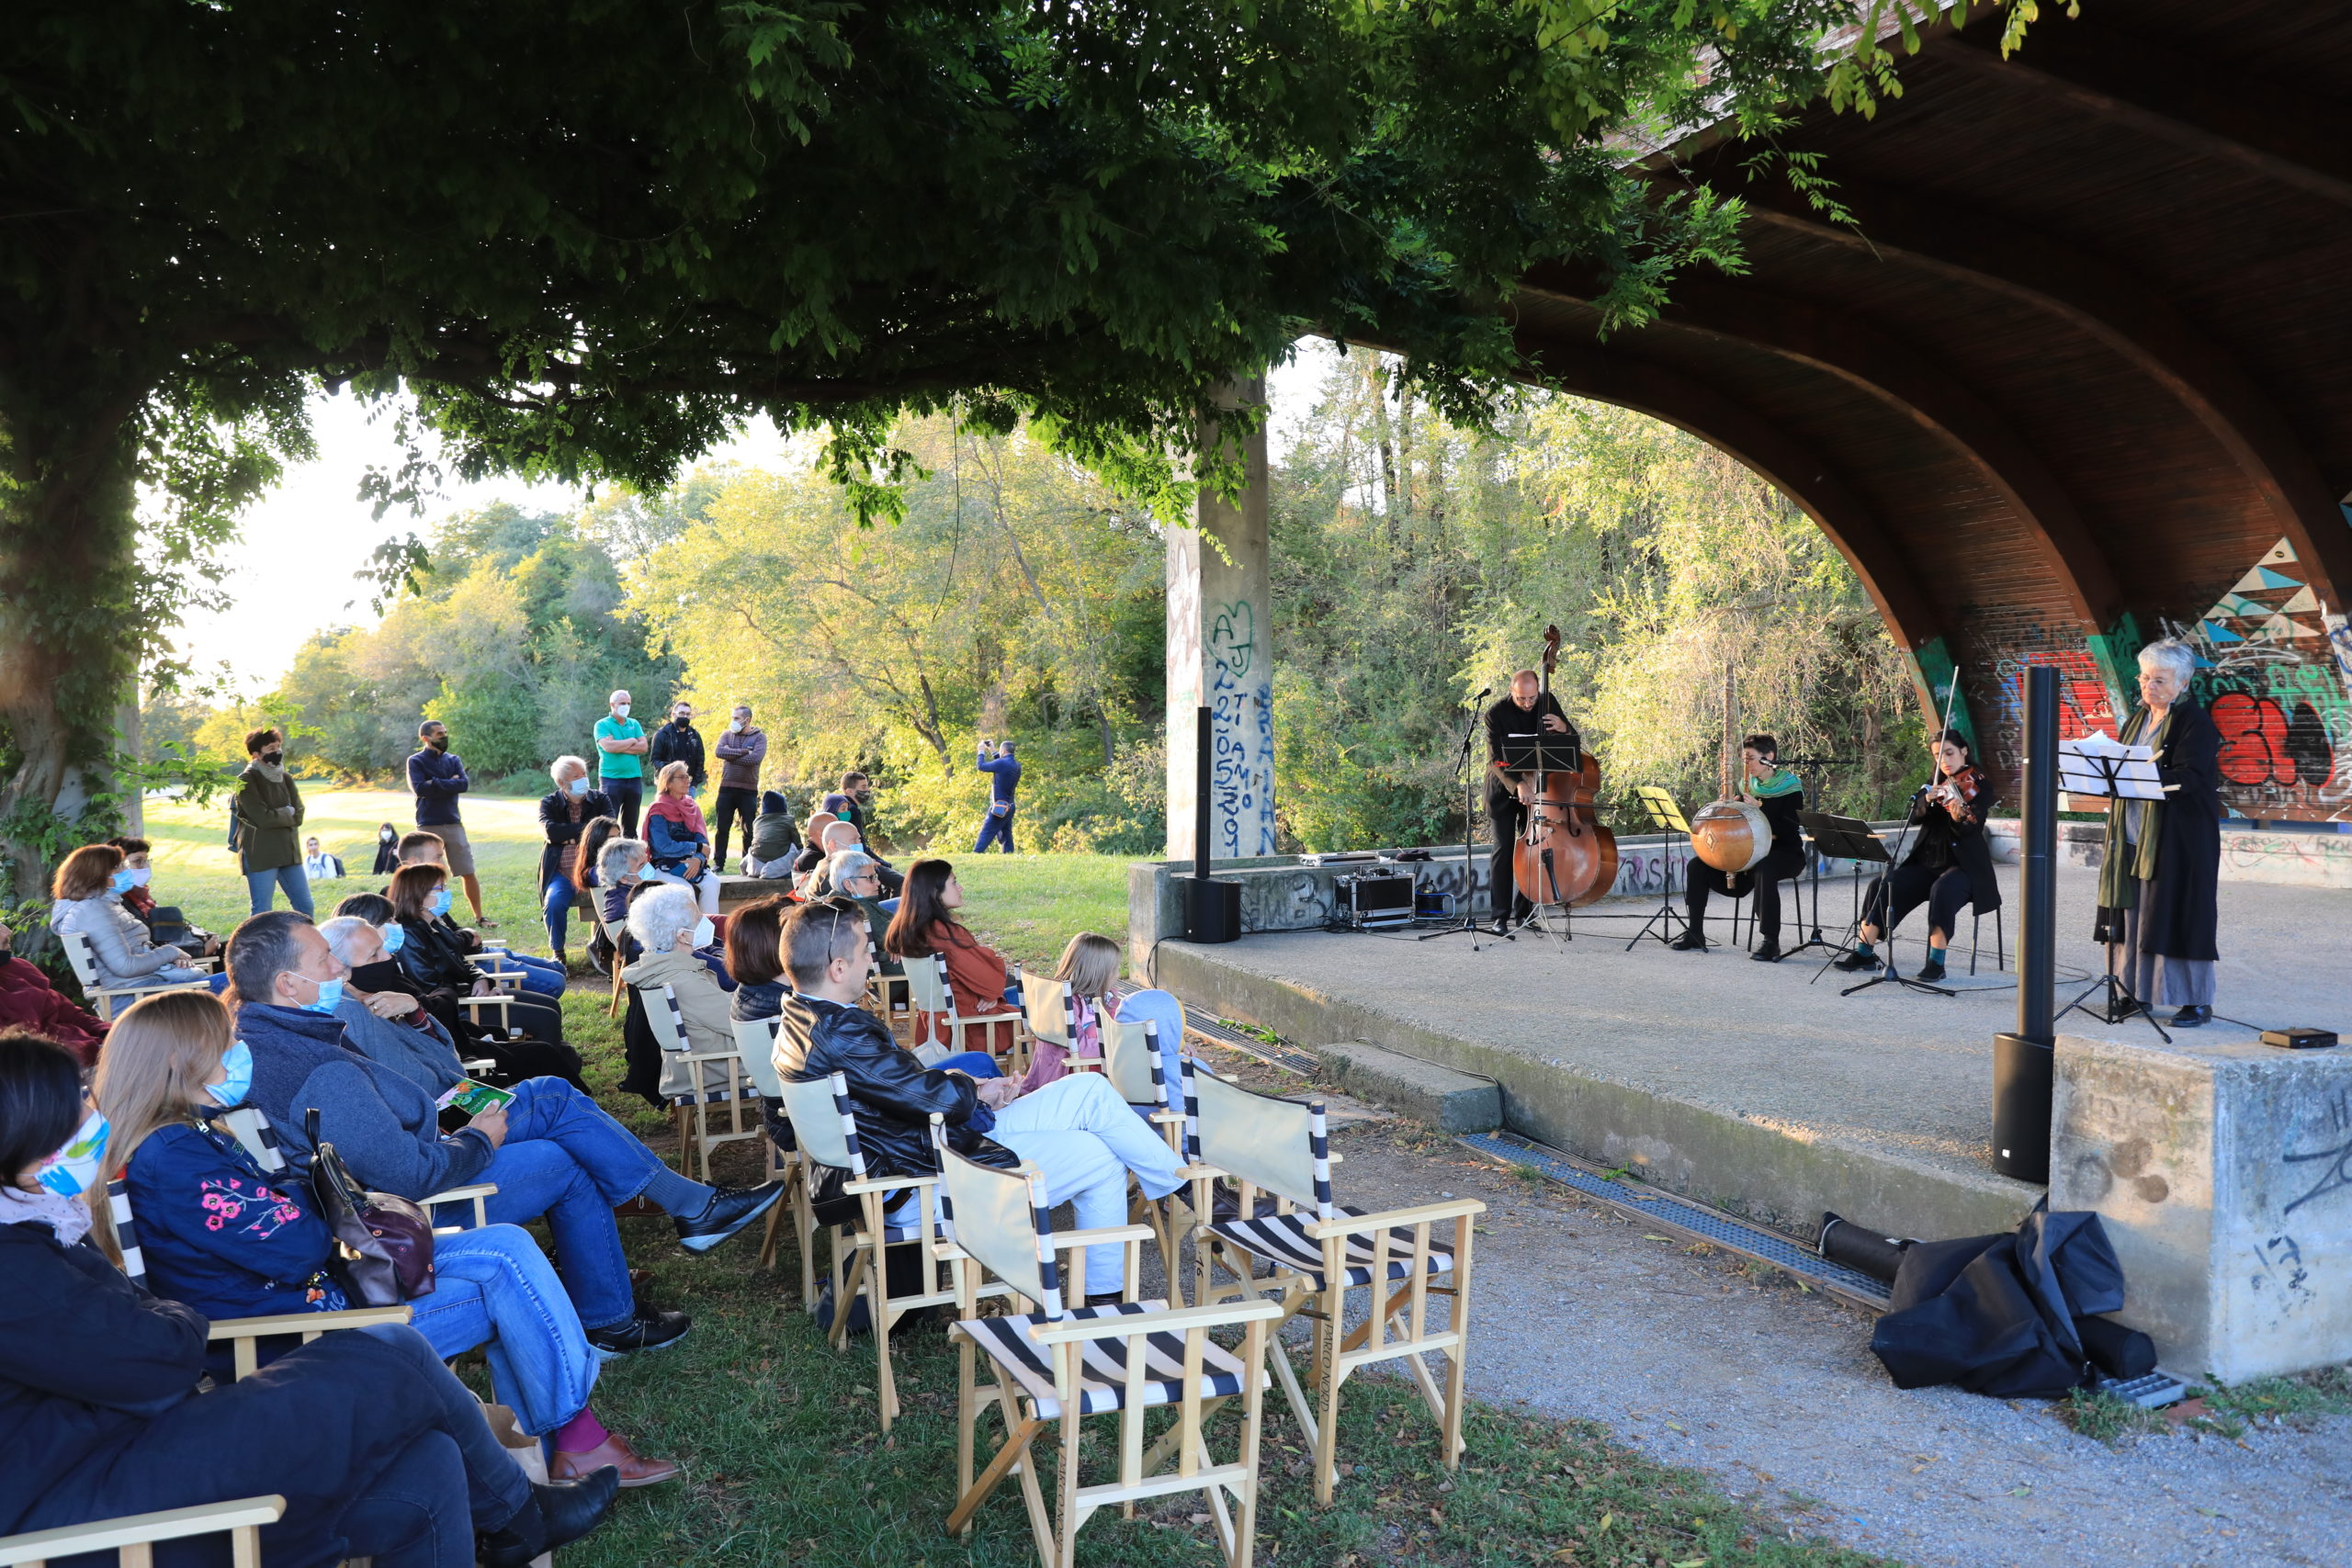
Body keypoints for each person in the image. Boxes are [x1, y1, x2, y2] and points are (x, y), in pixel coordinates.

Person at [0, 1030, 622, 1568]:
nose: (94, 1109)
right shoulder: (17, 1262)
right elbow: (156, 1364)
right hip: (89, 1496)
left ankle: (516, 1518)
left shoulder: (39, 1223)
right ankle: (522, 1511)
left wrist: (160, 1321)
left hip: (138, 1443)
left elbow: (136, 1337)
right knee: (389, 1349)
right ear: (33, 1131)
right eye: (79, 1102)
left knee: (429, 1463)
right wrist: (171, 1319)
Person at [96, 991, 681, 1486]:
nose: (237, 1052)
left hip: (334, 1286)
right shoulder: (174, 1158)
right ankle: (573, 1440)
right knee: (509, 1283)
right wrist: (315, 1199)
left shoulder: (198, 1132)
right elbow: (298, 1244)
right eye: (225, 1045)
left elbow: (295, 1209)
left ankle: (562, 1442)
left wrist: (310, 1199)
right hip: (294, 1331)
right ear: (185, 1061)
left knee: (506, 1245)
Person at [223, 911, 783, 1348]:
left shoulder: (279, 1034)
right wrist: (477, 1137)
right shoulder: (317, 1064)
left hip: (435, 1126)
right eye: (328, 963)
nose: (342, 974)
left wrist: (417, 1017)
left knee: (552, 1097)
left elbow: (433, 1071)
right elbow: (409, 1171)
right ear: (288, 983)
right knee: (562, 1156)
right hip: (416, 1187)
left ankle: (662, 1248)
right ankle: (631, 1290)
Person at [777, 897, 1184, 1303]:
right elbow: (922, 1097)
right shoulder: (840, 1033)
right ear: (838, 968)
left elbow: (898, 1088)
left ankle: (1175, 1185)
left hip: (922, 1151)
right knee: (1101, 1156)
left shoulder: (802, 1016)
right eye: (867, 951)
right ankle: (1106, 1298)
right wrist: (974, 1092)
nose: (875, 960)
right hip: (924, 1176)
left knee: (1090, 1091)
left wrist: (966, 1083)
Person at [2097, 637, 2223, 1028]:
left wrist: (2141, 775)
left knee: (2177, 914)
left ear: (2183, 684)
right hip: (2132, 836)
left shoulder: (2194, 722)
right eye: (2146, 678)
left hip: (2179, 840)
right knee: (2133, 917)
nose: (2150, 686)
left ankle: (2195, 1001)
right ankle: (2134, 994)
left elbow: (2190, 776)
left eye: (2161, 680)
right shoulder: (2134, 721)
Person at [324, 905, 585, 1092]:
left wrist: (416, 1009)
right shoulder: (353, 1018)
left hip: (457, 1083)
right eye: (374, 954)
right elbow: (430, 1076)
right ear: (339, 969)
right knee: (550, 1079)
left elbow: (440, 1057)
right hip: (453, 1102)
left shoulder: (380, 987)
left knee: (555, 1072)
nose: (388, 957)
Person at [1836, 728, 2001, 984]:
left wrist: (1957, 817)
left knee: (1943, 890)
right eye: (1938, 755)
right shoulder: (1934, 783)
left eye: (1949, 753)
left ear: (1964, 751)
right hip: (1927, 863)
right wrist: (1925, 800)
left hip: (1964, 866)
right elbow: (1914, 816)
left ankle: (1936, 963)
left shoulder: (1980, 785)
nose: (1944, 760)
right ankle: (1864, 953)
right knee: (1881, 884)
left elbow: (1971, 828)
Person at [387, 864, 571, 1049]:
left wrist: (482, 979)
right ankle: (547, 1065)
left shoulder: (435, 925)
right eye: (440, 888)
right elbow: (431, 988)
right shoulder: (410, 934)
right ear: (419, 895)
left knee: (550, 1005)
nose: (446, 892)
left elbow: (462, 963)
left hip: (470, 996)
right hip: (459, 1008)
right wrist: (476, 990)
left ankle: (559, 1057)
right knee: (545, 1017)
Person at [1672, 734, 1808, 964]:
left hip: (1784, 852)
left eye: (1752, 759)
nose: (1748, 765)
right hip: (1747, 852)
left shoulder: (1790, 788)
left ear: (1769, 757)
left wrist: (1758, 809)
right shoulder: (1747, 786)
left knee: (1764, 869)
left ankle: (1770, 940)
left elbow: (1788, 830)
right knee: (1697, 865)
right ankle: (1695, 932)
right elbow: (1737, 823)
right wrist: (1725, 808)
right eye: (1744, 760)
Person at [396, 831, 568, 999]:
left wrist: (466, 942)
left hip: (472, 960)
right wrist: (467, 936)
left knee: (557, 968)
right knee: (555, 982)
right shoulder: (411, 902)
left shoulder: (431, 896)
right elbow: (448, 947)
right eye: (438, 857)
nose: (444, 863)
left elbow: (452, 931)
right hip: (471, 963)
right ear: (414, 862)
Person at [883, 857, 1020, 1055]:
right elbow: (989, 978)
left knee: (1016, 995)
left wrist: (992, 994)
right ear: (935, 892)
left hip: (937, 1026)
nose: (961, 888)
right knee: (1041, 1007)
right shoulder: (943, 934)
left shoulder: (907, 930)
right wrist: (992, 994)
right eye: (954, 882)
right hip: (972, 1029)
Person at [619, 885, 740, 1103]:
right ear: (682, 935)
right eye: (697, 917)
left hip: (692, 1063)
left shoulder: (659, 966)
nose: (705, 920)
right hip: (716, 1067)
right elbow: (738, 1022)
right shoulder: (684, 979)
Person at [1484, 671, 1577, 930]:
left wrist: (1564, 728)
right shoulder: (1496, 713)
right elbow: (1496, 760)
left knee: (1533, 849)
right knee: (1504, 850)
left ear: (1538, 691)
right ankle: (1499, 917)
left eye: (1532, 698)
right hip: (1504, 790)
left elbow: (1570, 745)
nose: (1527, 704)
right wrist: (1518, 784)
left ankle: (1524, 913)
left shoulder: (1548, 702)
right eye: (1521, 699)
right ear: (1512, 691)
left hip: (1539, 790)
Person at [50, 842, 209, 993]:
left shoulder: (104, 905)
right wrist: (170, 952)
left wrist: (170, 960)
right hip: (138, 998)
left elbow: (136, 953)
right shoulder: (93, 911)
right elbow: (126, 966)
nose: (126, 871)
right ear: (98, 875)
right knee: (230, 987)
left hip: (149, 987)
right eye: (119, 867)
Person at [1011, 931, 1119, 1096]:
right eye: (1115, 969)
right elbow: (1081, 1048)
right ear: (1098, 974)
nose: (1118, 974)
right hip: (1068, 1082)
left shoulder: (1085, 996)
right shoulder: (1067, 1004)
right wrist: (1118, 1045)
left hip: (1081, 1073)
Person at [407, 718, 490, 928]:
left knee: (467, 871)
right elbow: (420, 789)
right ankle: (431, 919)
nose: (444, 737)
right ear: (426, 738)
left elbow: (463, 784)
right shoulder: (415, 761)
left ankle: (480, 917)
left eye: (445, 732)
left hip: (453, 822)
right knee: (431, 876)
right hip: (428, 823)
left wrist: (434, 782)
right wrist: (447, 783)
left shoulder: (454, 760)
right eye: (439, 734)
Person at [539, 756, 614, 972]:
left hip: (592, 868)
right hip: (562, 873)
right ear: (562, 783)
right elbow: (550, 832)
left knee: (614, 894)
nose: (583, 779)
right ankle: (558, 953)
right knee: (554, 902)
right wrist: (590, 831)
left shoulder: (600, 799)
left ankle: (603, 946)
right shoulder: (549, 803)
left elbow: (609, 828)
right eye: (576, 776)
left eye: (584, 774)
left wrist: (569, 836)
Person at [0, 921, 107, 1066]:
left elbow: (71, 1014)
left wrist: (106, 1031)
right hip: (33, 1067)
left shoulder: (20, 969)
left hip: (78, 1050)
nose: (7, 932)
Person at [232, 726, 313, 916]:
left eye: (278, 746)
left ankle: (307, 944)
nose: (276, 752)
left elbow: (299, 815)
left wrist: (280, 813)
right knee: (262, 911)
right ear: (255, 754)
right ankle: (257, 946)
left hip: (288, 851)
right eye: (270, 748)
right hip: (261, 854)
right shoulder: (246, 780)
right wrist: (287, 813)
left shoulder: (285, 778)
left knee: (306, 906)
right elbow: (262, 818)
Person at [107, 836, 217, 956]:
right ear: (117, 867)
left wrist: (206, 938)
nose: (145, 867)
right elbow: (147, 948)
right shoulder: (120, 903)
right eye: (138, 861)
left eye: (146, 860)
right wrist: (201, 952)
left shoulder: (142, 898)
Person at [644, 761, 722, 916]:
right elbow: (664, 846)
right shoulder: (657, 809)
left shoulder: (692, 806)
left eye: (688, 776)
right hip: (664, 865)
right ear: (668, 782)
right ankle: (692, 936)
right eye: (682, 777)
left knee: (713, 883)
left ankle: (712, 933)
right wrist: (696, 848)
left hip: (692, 863)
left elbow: (702, 841)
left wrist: (698, 859)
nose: (688, 780)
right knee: (685, 890)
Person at [711, 703, 767, 869]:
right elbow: (719, 752)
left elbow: (755, 759)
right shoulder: (727, 735)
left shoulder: (759, 737)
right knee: (722, 828)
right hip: (726, 788)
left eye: (737, 718)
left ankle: (747, 863)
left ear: (747, 720)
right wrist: (744, 751)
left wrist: (731, 754)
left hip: (748, 790)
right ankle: (718, 863)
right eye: (732, 717)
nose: (733, 721)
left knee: (748, 830)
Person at [594, 688, 650, 838]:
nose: (626, 706)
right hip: (611, 779)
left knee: (631, 825)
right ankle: (608, 857)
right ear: (612, 704)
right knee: (609, 823)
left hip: (634, 778)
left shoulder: (634, 723)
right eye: (622, 703)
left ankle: (631, 857)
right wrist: (632, 741)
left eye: (628, 703)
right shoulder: (602, 724)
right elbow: (608, 747)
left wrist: (619, 746)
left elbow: (644, 747)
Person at [648, 700, 706, 796]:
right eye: (682, 713)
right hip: (667, 784)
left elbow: (700, 760)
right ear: (673, 714)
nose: (685, 716)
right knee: (666, 811)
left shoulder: (694, 736)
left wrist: (695, 783)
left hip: (688, 786)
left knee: (686, 811)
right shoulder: (662, 734)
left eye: (688, 714)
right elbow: (655, 759)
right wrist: (670, 771)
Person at [974, 739, 1021, 853]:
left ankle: (976, 853)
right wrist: (993, 750)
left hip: (1000, 807)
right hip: (1010, 806)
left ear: (1003, 751)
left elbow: (981, 766)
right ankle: (1008, 854)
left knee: (986, 831)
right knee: (1006, 834)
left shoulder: (1002, 764)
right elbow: (1001, 766)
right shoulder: (1016, 765)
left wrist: (981, 751)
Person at [744, 789, 802, 878]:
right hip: (777, 863)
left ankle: (747, 866)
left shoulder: (757, 821)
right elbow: (797, 842)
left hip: (756, 863)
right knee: (795, 847)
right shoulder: (788, 819)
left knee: (754, 847)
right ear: (783, 806)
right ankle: (785, 872)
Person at [821, 769, 876, 840]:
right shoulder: (852, 810)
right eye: (863, 787)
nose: (867, 790)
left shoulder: (841, 806)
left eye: (867, 786)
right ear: (849, 791)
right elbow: (858, 840)